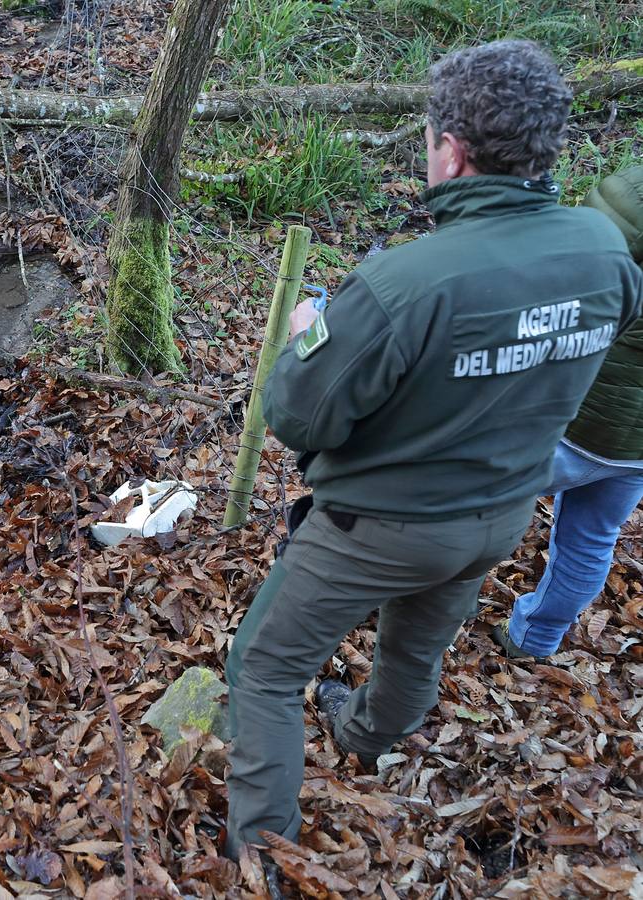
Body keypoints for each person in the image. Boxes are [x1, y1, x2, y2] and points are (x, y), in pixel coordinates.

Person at [221, 40, 643, 859]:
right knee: (417, 645)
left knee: (266, 670)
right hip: (501, 512)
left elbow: (299, 418)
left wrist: (306, 339)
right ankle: (368, 738)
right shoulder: (604, 252)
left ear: (450, 151)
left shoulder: (403, 283)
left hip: (376, 526)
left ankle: (260, 856)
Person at [495, 166, 643, 660]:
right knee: (591, 541)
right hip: (634, 447)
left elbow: (569, 274)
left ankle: (400, 597)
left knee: (450, 496)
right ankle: (534, 641)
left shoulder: (631, 193)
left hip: (571, 421)